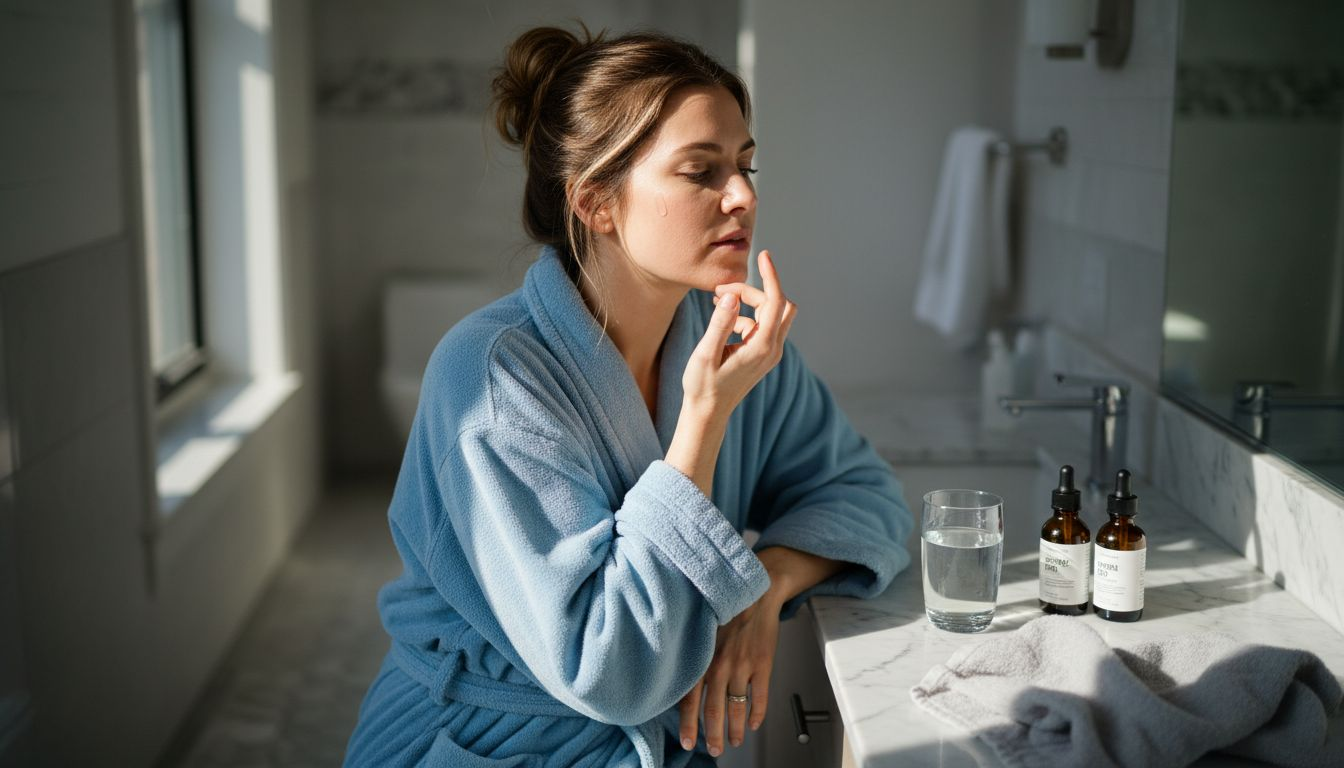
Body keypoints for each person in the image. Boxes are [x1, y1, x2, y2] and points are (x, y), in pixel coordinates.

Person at [343, 24, 912, 768]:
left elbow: (869, 496)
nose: (743, 195)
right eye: (700, 171)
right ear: (596, 202)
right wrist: (703, 418)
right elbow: (613, 672)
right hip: (486, 744)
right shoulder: (492, 378)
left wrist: (767, 584)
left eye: (745, 166)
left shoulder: (730, 344)